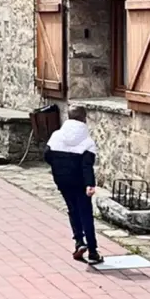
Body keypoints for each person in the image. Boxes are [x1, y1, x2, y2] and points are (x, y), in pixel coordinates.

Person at [47, 106, 104, 265]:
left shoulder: (56, 136)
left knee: (72, 210)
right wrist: (90, 184)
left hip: (62, 180)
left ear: (68, 116)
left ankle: (79, 241)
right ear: (84, 119)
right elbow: (87, 166)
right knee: (86, 213)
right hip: (80, 182)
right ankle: (92, 251)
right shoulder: (87, 142)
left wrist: (59, 168)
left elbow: (47, 155)